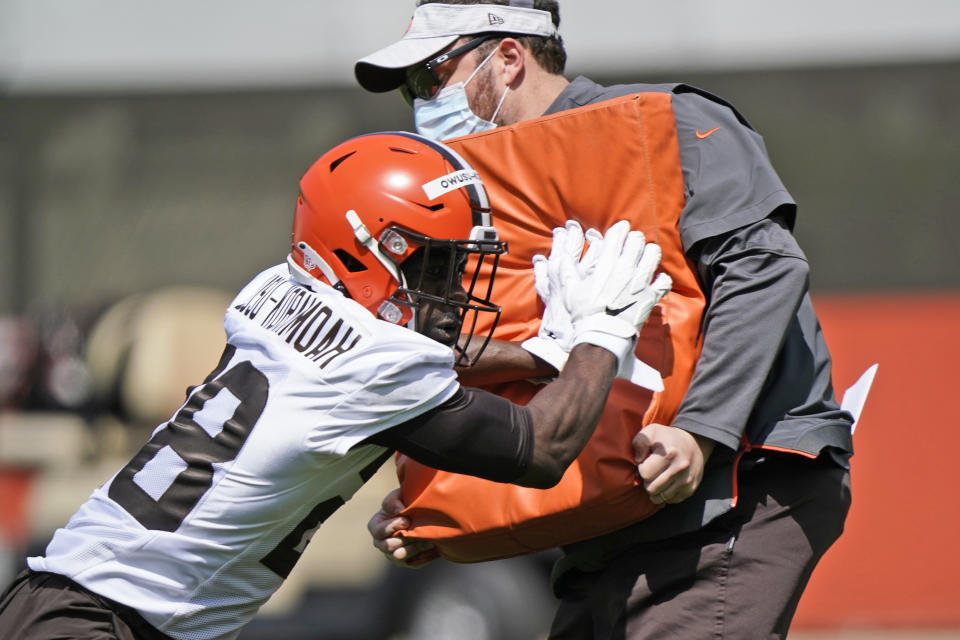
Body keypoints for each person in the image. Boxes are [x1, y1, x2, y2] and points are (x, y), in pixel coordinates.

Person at [0, 131, 671, 640]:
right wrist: (599, 340)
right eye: (435, 265)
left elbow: (410, 355)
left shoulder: (274, 292)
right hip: (103, 623)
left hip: (66, 600)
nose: (452, 288)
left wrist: (536, 354)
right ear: (361, 249)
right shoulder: (370, 365)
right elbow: (542, 448)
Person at [355, 2, 855, 639]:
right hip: (605, 524)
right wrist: (439, 506)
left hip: (733, 490)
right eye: (408, 90)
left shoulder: (667, 123)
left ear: (507, 58)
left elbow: (764, 268)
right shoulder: (469, 195)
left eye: (431, 77)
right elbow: (499, 361)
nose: (419, 102)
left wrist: (699, 433)